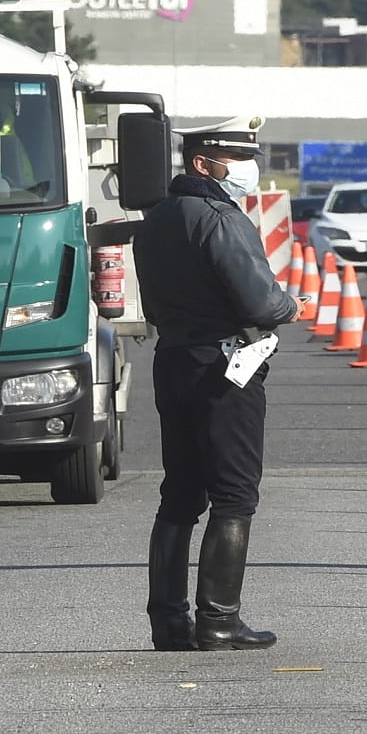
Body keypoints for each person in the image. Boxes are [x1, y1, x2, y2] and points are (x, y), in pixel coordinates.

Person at [133, 115, 307, 651]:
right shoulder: (222, 219)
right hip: (226, 364)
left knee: (180, 494)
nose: (247, 170)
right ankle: (219, 620)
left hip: (173, 359)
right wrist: (291, 306)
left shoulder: (156, 218)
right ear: (203, 164)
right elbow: (259, 301)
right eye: (238, 160)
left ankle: (168, 622)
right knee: (234, 494)